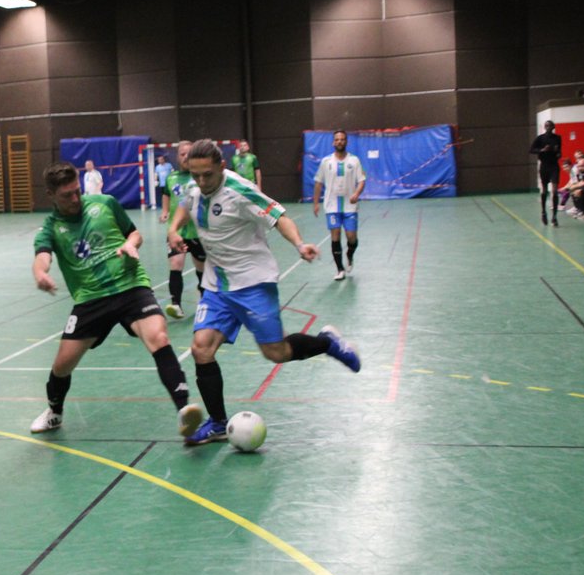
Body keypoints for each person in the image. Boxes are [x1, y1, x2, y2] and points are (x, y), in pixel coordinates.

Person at [168, 139, 361, 446]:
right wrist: (174, 229)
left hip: (253, 282)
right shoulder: (195, 187)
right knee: (201, 348)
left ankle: (327, 343)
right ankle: (217, 422)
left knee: (276, 352)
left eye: (207, 175)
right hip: (218, 285)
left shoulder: (240, 192)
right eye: (195, 175)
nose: (201, 182)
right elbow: (184, 204)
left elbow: (280, 217)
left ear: (222, 166)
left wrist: (299, 245)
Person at [30, 161, 202, 438]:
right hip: (91, 298)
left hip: (130, 286)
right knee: (62, 366)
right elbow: (42, 257)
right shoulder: (50, 228)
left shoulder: (105, 203)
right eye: (67, 195)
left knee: (159, 337)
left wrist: (129, 244)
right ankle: (55, 412)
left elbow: (134, 233)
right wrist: (41, 274)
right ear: (51, 195)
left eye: (77, 191)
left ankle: (184, 411)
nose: (75, 199)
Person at [158, 141, 206, 318]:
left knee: (201, 268)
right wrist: (164, 211)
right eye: (182, 154)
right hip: (176, 231)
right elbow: (166, 195)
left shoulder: (200, 177)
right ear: (177, 157)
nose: (185, 157)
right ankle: (176, 304)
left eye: (189, 153)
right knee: (176, 265)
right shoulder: (171, 178)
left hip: (197, 232)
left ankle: (204, 299)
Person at [311, 129, 366, 280]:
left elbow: (362, 181)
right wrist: (315, 203)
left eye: (342, 139)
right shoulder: (326, 162)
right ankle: (340, 269)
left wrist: (356, 194)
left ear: (346, 142)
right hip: (331, 206)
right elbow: (318, 183)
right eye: (337, 139)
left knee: (351, 237)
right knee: (335, 237)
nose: (339, 142)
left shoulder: (354, 160)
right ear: (333, 142)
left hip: (350, 206)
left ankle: (349, 254)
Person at [529, 120, 563, 226]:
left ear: (553, 127)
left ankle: (554, 216)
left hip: (554, 166)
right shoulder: (540, 138)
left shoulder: (557, 138)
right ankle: (543, 212)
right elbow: (531, 150)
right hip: (544, 166)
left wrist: (558, 153)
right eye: (546, 125)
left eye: (550, 125)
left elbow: (559, 152)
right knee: (544, 191)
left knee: (554, 190)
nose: (548, 127)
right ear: (544, 127)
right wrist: (542, 150)